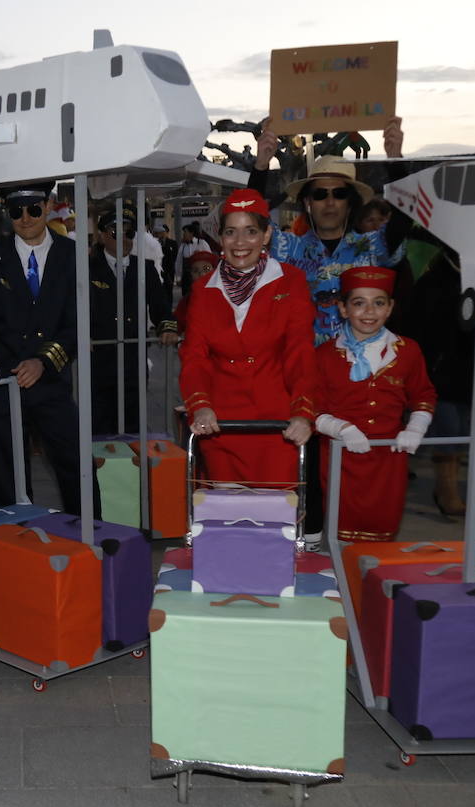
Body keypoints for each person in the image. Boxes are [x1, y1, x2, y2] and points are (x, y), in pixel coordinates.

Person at [0, 182, 99, 515]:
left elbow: (80, 320)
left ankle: (89, 540)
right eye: (16, 211)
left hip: (52, 383)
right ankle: (15, 546)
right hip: (2, 387)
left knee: (76, 467)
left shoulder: (72, 256)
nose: (25, 218)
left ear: (48, 205)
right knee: (6, 479)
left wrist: (44, 361)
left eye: (33, 209)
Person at [180, 189, 317, 487]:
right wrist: (200, 404)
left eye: (250, 231)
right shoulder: (204, 289)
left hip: (278, 426)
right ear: (221, 236)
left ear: (266, 234)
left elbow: (300, 352)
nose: (240, 243)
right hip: (219, 425)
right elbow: (194, 356)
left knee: (275, 522)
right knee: (224, 523)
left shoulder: (291, 281)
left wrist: (302, 412)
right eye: (231, 232)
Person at [251, 117, 407, 346]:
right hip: (305, 371)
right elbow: (251, 221)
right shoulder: (287, 248)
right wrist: (261, 165)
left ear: (351, 203)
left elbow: (403, 219)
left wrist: (395, 161)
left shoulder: (373, 246)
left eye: (340, 194)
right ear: (308, 203)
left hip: (362, 373)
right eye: (320, 194)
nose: (330, 202)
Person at [313, 267, 437, 541]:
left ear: (390, 308)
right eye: (359, 303)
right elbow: (310, 409)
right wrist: (341, 428)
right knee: (339, 531)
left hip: (388, 459)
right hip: (339, 458)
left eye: (378, 303)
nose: (369, 311)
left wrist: (415, 428)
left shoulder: (408, 351)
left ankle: (372, 580)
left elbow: (423, 396)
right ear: (343, 309)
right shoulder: (324, 356)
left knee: (383, 527)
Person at [88, 203, 175, 435]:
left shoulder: (144, 268)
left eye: (129, 232)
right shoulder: (87, 268)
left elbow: (161, 306)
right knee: (100, 426)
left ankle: (134, 470)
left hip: (133, 359)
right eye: (116, 232)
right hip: (99, 360)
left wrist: (166, 327)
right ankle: (99, 470)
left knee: (134, 423)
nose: (124, 238)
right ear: (102, 235)